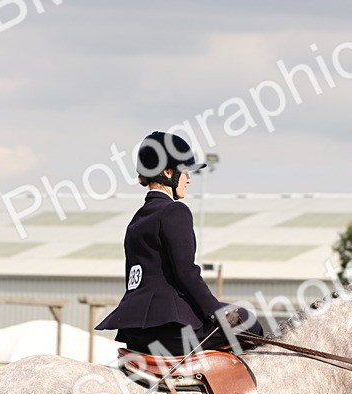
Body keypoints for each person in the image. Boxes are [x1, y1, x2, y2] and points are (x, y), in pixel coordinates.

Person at [95, 130, 263, 356]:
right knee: (249, 321)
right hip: (168, 331)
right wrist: (216, 312)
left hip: (134, 331)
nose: (189, 179)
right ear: (167, 172)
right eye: (185, 172)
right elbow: (186, 273)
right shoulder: (175, 211)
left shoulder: (137, 218)